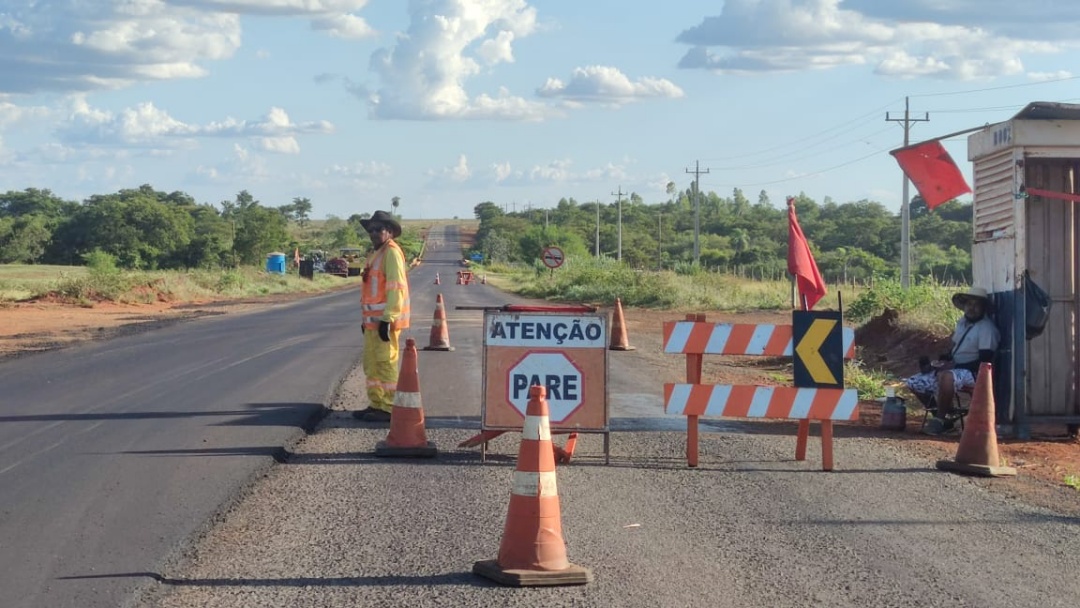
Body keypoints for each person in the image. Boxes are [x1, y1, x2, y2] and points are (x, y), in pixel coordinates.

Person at [905, 286, 999, 435]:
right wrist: (942, 361)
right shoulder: (962, 323)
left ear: (983, 308)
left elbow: (985, 360)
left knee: (946, 376)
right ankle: (943, 416)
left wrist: (953, 366)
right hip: (956, 368)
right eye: (969, 304)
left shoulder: (986, 329)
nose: (971, 308)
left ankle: (940, 420)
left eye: (976, 305)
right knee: (913, 382)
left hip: (974, 373)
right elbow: (955, 349)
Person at [353, 210, 411, 422]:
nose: (374, 233)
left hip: (385, 322)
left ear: (390, 232)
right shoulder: (376, 253)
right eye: (371, 230)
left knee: (386, 363)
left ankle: (389, 407)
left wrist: (388, 318)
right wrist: (366, 321)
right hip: (372, 324)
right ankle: (376, 404)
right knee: (372, 364)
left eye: (379, 229)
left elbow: (397, 288)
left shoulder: (391, 253)